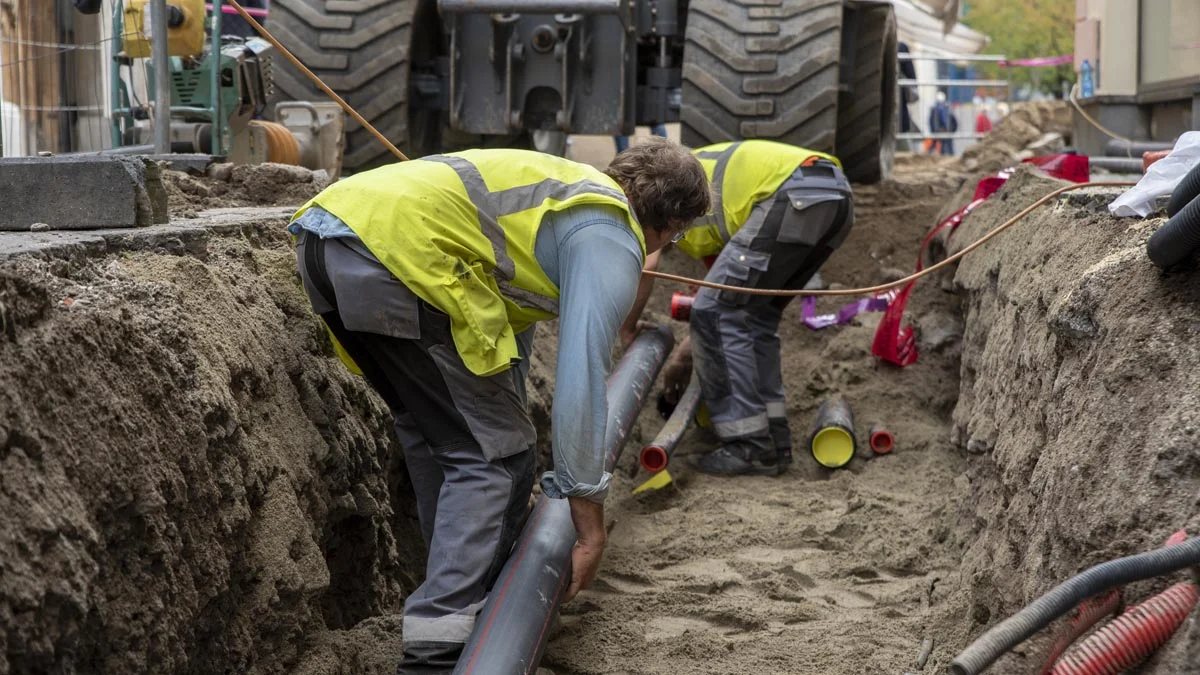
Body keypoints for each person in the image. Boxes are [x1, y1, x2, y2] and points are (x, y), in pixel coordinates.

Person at [288, 139, 710, 673]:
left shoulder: (561, 197)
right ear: (671, 221)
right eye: (678, 235)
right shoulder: (609, 234)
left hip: (329, 244)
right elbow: (582, 380)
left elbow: (505, 340)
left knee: (439, 434)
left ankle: (457, 598)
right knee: (496, 457)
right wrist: (588, 521)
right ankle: (441, 650)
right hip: (398, 258)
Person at [618, 140, 855, 476]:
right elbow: (719, 304)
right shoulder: (710, 214)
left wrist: (627, 328)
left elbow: (648, 266)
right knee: (755, 317)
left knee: (721, 315)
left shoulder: (658, 192)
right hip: (833, 197)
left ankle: (749, 446)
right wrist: (686, 356)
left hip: (795, 194)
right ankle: (774, 439)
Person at [928, 91, 957, 155]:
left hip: (942, 130)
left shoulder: (944, 109)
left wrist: (933, 130)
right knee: (945, 146)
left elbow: (952, 120)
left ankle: (947, 155)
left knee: (944, 145)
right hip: (943, 130)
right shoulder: (945, 108)